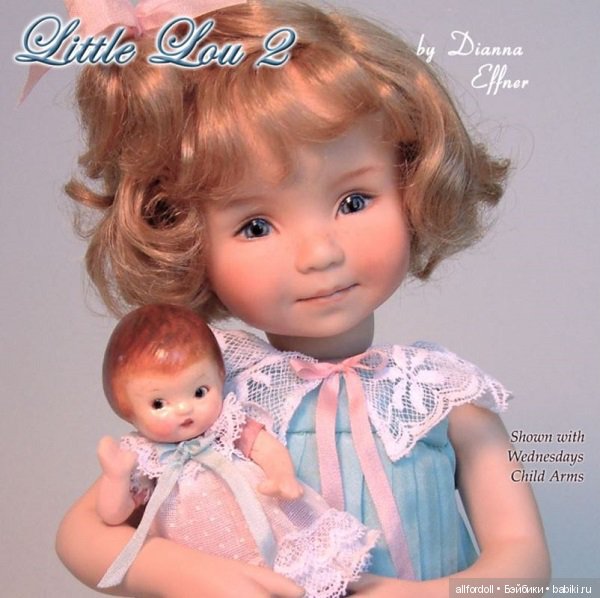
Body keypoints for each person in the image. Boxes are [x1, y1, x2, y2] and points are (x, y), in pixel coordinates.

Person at [55, 1, 551, 596]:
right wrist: (191, 574)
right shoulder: (217, 397)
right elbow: (82, 534)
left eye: (354, 201)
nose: (319, 254)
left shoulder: (440, 395)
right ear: (185, 239)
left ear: (412, 183)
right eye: (255, 226)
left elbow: (523, 560)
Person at [94, 303, 377, 597]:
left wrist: (282, 477)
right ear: (126, 408)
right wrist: (117, 478)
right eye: (159, 403)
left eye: (199, 392)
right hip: (201, 560)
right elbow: (114, 515)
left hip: (268, 529)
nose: (184, 409)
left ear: (219, 376)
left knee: (300, 581)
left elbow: (264, 447)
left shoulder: (227, 425)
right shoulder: (146, 457)